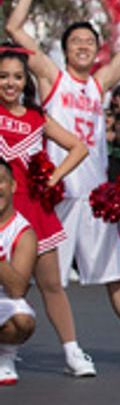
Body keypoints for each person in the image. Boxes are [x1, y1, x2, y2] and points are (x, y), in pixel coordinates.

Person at [5, 0, 120, 369]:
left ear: (96, 50)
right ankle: (11, 345)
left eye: (89, 42)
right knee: (42, 280)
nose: (82, 46)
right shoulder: (51, 78)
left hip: (94, 197)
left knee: (115, 276)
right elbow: (15, 29)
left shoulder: (98, 83)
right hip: (53, 196)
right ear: (64, 48)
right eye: (75, 40)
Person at [0, 43, 91, 376]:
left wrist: (53, 177)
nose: (10, 83)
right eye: (2, 77)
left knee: (52, 284)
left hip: (35, 211)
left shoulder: (38, 117)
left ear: (26, 81)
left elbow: (78, 147)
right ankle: (6, 355)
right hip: (2, 211)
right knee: (10, 287)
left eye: (17, 77)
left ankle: (72, 352)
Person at [0, 159, 39, 384]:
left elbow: (17, 289)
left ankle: (5, 356)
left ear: (13, 186)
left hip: (4, 300)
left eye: (1, 182)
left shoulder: (24, 232)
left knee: (23, 320)